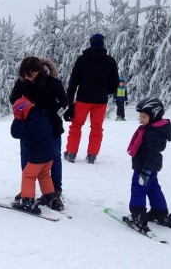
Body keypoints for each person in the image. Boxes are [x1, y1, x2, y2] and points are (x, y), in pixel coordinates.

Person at [10, 57, 68, 211]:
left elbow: (64, 102)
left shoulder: (53, 82)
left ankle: (55, 192)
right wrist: (23, 111)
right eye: (25, 74)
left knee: (53, 158)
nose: (27, 77)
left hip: (52, 128)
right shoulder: (22, 83)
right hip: (29, 129)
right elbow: (14, 100)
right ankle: (27, 191)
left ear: (39, 71)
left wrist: (52, 115)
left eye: (31, 74)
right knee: (26, 157)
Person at [63, 33, 119, 164]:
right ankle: (92, 155)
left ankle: (71, 153)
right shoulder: (110, 61)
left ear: (90, 43)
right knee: (97, 127)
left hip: (83, 99)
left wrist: (70, 100)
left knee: (76, 125)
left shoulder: (82, 60)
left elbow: (73, 81)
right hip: (100, 100)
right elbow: (115, 84)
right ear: (103, 43)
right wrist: (105, 91)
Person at [122, 97, 171, 232]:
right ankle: (159, 212)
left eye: (144, 116)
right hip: (149, 167)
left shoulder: (153, 133)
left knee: (138, 188)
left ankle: (137, 216)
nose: (141, 119)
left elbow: (152, 153)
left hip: (145, 167)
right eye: (140, 116)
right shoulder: (153, 129)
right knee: (153, 188)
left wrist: (145, 170)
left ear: (154, 115)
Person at [10, 94, 55, 215]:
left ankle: (28, 202)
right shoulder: (42, 115)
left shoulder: (29, 124)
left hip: (38, 157)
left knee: (28, 175)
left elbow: (15, 133)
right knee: (44, 174)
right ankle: (50, 197)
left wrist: (17, 119)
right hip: (50, 154)